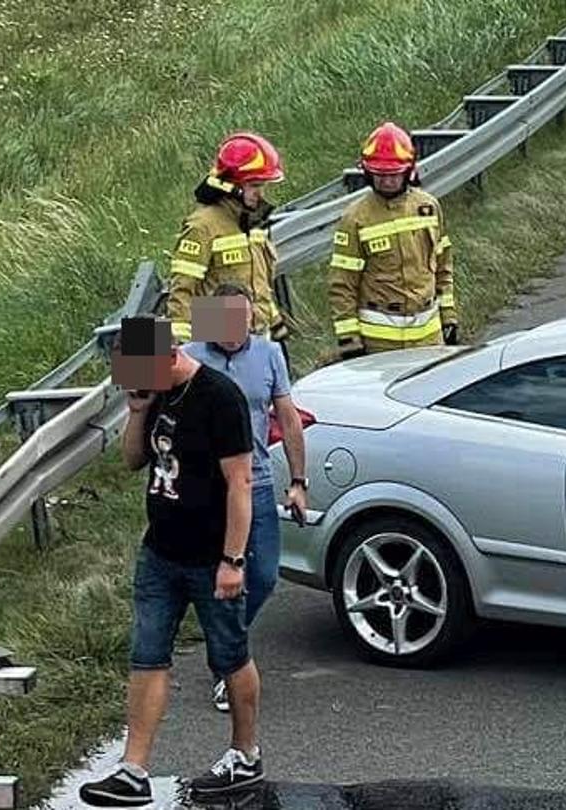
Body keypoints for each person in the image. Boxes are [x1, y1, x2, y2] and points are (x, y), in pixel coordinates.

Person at [81, 315, 264, 806]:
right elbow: (132, 460)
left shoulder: (220, 398)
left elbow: (241, 484)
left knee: (229, 654)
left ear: (170, 356)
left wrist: (233, 560)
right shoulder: (155, 393)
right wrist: (138, 411)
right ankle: (133, 769)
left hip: (212, 555)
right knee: (147, 654)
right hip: (160, 552)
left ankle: (245, 754)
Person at [183, 284, 308, 714]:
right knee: (221, 576)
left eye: (244, 319)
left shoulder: (270, 355)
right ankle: (227, 666)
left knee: (265, 576)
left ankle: (222, 641)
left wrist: (299, 481)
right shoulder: (191, 356)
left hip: (257, 483)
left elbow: (288, 419)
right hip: (208, 490)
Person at [329, 122, 460, 357]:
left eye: (393, 175)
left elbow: (443, 266)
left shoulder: (428, 207)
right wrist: (349, 340)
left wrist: (448, 316)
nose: (387, 181)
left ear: (409, 171)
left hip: (430, 338)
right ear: (368, 173)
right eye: (380, 175)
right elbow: (342, 284)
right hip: (379, 344)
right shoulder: (355, 218)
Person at [164, 132, 289, 345]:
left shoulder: (253, 224)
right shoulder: (202, 227)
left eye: (263, 185)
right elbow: (182, 293)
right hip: (217, 342)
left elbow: (257, 283)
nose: (260, 193)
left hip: (257, 338)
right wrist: (186, 348)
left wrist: (276, 324)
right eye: (254, 185)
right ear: (231, 185)